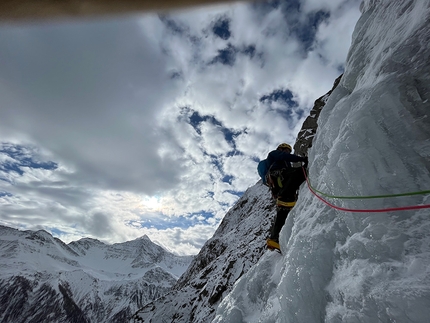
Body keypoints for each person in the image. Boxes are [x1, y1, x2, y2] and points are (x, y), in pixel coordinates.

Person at [264, 143, 308, 250]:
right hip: (277, 176)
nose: (288, 152)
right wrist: (302, 159)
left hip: (278, 183)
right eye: (286, 150)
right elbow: (284, 156)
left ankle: (275, 239)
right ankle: (285, 197)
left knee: (283, 213)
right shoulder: (275, 154)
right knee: (299, 172)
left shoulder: (285, 163)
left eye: (289, 151)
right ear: (281, 149)